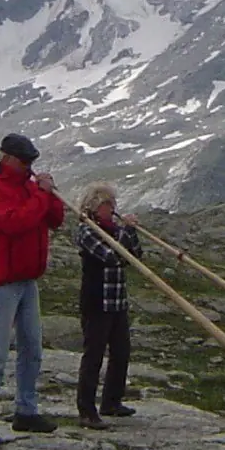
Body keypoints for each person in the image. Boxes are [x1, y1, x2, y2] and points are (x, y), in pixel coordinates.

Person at [0, 132, 65, 449]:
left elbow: (54, 220)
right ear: (7, 158)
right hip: (4, 280)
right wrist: (40, 195)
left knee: (32, 349)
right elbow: (17, 223)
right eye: (24, 162)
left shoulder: (27, 185)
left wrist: (50, 196)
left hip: (27, 279)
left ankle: (26, 410)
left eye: (31, 162)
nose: (29, 167)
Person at [73, 183, 141, 429]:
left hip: (117, 301)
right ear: (93, 206)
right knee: (94, 355)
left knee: (121, 352)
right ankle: (86, 409)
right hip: (97, 301)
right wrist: (124, 232)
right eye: (106, 205)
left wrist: (130, 232)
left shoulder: (113, 230)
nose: (111, 209)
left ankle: (112, 401)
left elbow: (134, 254)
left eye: (113, 204)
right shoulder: (87, 230)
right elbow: (112, 256)